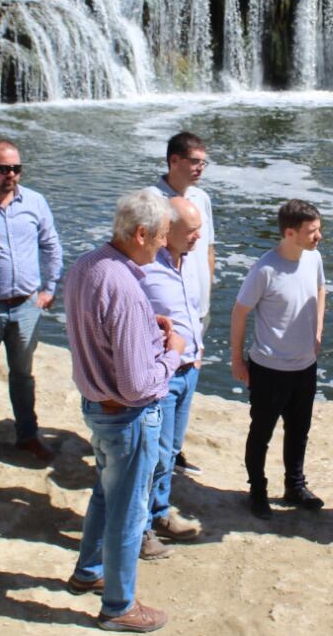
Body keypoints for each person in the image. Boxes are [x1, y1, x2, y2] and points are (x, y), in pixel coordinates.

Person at [64, 188, 184, 633]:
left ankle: (89, 571)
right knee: (129, 511)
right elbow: (138, 386)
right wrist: (172, 353)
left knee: (106, 492)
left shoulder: (85, 266)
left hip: (96, 407)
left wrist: (144, 329)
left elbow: (95, 324)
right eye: (163, 236)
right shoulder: (128, 288)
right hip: (126, 416)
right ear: (140, 233)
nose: (165, 243)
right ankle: (119, 606)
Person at [0, 139, 63, 474]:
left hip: (26, 305)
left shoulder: (34, 201)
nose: (11, 175)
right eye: (4, 169)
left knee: (23, 375)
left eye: (16, 168)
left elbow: (51, 245)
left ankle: (28, 435)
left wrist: (49, 289)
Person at [231, 199, 326, 519]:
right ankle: (257, 490)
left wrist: (319, 330)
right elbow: (239, 313)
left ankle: (294, 486)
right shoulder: (264, 269)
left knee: (299, 430)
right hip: (269, 368)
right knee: (262, 432)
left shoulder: (314, 259)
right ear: (289, 232)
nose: (319, 237)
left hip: (305, 366)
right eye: (312, 231)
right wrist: (237, 361)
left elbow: (321, 289)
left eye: (318, 229)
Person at [137, 197, 208, 557]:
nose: (197, 237)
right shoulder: (146, 267)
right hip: (160, 375)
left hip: (188, 369)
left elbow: (192, 311)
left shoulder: (188, 262)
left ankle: (160, 512)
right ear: (168, 231)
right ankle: (142, 529)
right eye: (190, 231)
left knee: (172, 450)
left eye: (198, 230)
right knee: (155, 454)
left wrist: (196, 351)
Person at [152, 131, 215, 477]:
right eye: (194, 161)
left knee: (186, 386)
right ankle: (160, 457)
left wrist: (208, 294)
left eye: (203, 162)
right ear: (173, 160)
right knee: (165, 385)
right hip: (168, 311)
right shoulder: (152, 199)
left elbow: (208, 248)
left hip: (196, 308)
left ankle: (173, 454)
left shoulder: (201, 198)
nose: (200, 168)